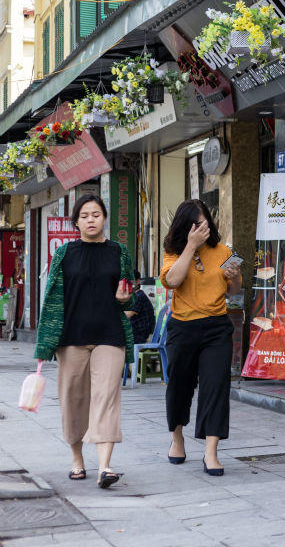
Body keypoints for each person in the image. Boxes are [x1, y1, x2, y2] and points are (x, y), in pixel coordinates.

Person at [33, 195, 135, 489]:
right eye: (85, 215)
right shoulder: (64, 254)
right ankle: (77, 459)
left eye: (97, 214)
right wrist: (45, 343)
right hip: (72, 339)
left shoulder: (119, 251)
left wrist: (125, 297)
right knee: (74, 400)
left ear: (105, 218)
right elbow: (52, 300)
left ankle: (105, 467)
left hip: (110, 335)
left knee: (107, 397)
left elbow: (128, 285)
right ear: (76, 221)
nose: (91, 219)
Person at [160, 199, 242, 476]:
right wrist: (191, 247)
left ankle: (211, 452)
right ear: (185, 226)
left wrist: (235, 276)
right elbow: (172, 281)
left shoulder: (225, 250)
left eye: (205, 221)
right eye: (196, 223)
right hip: (182, 327)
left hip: (217, 327)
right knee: (179, 386)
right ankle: (177, 438)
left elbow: (234, 290)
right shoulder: (172, 251)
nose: (202, 227)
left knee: (216, 386)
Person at [124, 271, 155, 344]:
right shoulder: (135, 295)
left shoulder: (138, 296)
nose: (128, 283)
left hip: (139, 335)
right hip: (136, 332)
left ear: (138, 281)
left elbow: (127, 315)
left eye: (131, 281)